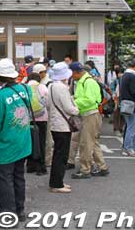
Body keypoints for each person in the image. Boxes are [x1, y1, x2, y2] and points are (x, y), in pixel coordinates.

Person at [0, 59, 32, 227]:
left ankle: (8, 215)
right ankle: (20, 210)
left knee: (5, 179)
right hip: (23, 141)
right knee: (19, 176)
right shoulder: (24, 89)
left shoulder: (0, 96)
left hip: (7, 144)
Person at [70, 62, 110, 179]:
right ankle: (102, 167)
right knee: (93, 142)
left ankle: (85, 169)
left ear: (77, 72)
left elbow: (90, 100)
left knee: (86, 143)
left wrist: (73, 102)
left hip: (90, 115)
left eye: (72, 73)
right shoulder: (85, 81)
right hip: (90, 115)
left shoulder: (88, 82)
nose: (71, 76)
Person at [47, 62, 79, 193]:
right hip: (63, 125)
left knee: (57, 154)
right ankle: (57, 184)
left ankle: (57, 182)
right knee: (62, 155)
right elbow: (68, 108)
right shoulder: (62, 88)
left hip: (55, 123)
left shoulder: (51, 86)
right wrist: (76, 110)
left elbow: (48, 104)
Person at [119, 59, 135, 157]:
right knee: (132, 127)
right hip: (132, 104)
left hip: (125, 103)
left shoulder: (124, 75)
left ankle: (133, 147)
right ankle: (128, 148)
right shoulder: (133, 76)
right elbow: (134, 92)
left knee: (130, 126)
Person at [25, 73, 48, 175]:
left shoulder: (24, 88)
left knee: (30, 142)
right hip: (42, 118)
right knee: (41, 143)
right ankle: (41, 167)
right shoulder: (42, 87)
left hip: (28, 119)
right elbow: (47, 102)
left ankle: (30, 166)